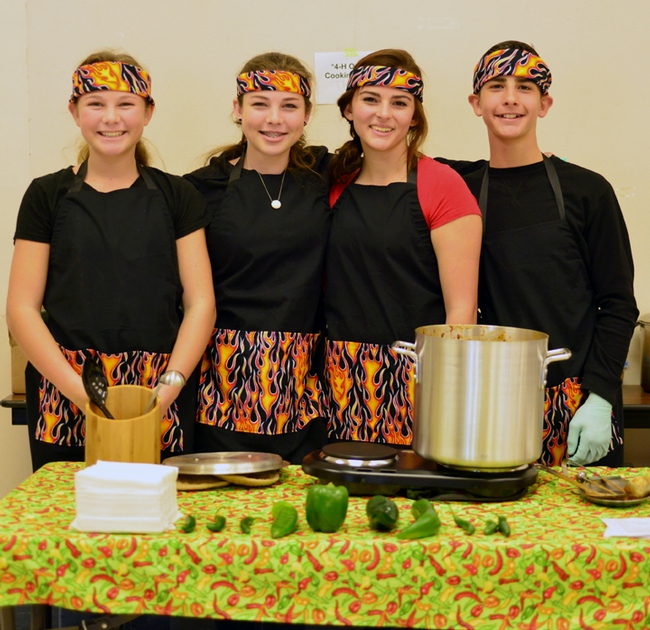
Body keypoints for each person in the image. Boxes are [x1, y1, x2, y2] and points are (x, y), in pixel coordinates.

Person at [7, 51, 216, 472]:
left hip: (158, 390)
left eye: (126, 104)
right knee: (68, 521)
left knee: (158, 522)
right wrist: (80, 393)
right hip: (65, 390)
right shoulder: (46, 196)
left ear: (148, 112)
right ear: (74, 111)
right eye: (95, 104)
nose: (111, 118)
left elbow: (200, 303)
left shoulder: (179, 197)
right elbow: (21, 309)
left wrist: (169, 387)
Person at [447, 40, 637, 466]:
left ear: (544, 103)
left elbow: (619, 303)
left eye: (525, 87)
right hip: (494, 400)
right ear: (476, 103)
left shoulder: (587, 190)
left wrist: (602, 396)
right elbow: (390, 155)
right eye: (496, 86)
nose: (510, 98)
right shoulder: (457, 187)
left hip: (578, 400)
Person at [324, 49, 483, 445]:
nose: (384, 113)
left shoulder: (442, 185)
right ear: (349, 109)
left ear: (414, 116)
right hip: (338, 381)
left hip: (417, 378)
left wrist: (443, 392)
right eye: (370, 99)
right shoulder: (331, 181)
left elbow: (460, 312)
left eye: (399, 102)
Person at [184, 52, 331, 464]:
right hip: (219, 387)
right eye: (260, 104)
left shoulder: (327, 175)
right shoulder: (200, 189)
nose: (274, 118)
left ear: (305, 116)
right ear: (238, 109)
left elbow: (398, 168)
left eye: (289, 106)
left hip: (302, 387)